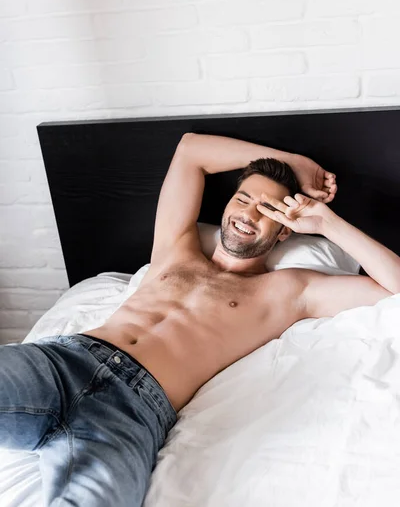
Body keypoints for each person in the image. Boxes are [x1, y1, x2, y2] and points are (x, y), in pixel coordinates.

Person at [1, 133, 399, 507]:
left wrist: (326, 223)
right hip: (64, 363)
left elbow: (394, 288)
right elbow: (190, 151)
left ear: (284, 232)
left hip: (131, 412)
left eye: (268, 209)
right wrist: (291, 163)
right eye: (243, 199)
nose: (248, 213)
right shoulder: (176, 247)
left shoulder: (289, 291)